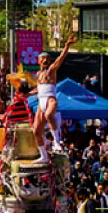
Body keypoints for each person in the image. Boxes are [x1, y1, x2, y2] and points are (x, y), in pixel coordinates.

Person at [32, 33, 76, 162]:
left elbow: (60, 58)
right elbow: (38, 88)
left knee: (49, 115)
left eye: (47, 58)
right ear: (39, 61)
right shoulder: (38, 74)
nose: (46, 60)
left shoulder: (51, 70)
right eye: (43, 59)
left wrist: (67, 45)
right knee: (36, 131)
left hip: (50, 99)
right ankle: (43, 156)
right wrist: (28, 94)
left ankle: (56, 142)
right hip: (41, 100)